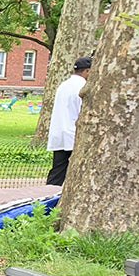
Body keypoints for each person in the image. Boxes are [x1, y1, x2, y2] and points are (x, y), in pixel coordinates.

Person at [46, 55, 92, 186]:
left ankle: (47, 201)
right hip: (74, 134)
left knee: (57, 172)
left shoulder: (63, 85)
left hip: (59, 133)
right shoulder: (84, 87)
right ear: (87, 71)